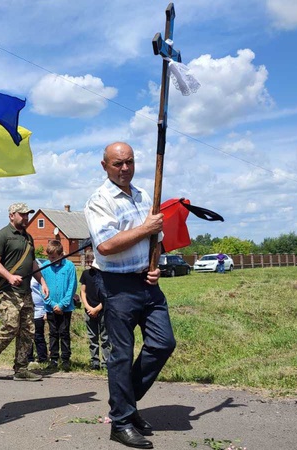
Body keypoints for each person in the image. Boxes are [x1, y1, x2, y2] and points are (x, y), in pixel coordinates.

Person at [84, 141, 176, 449]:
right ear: (105, 166)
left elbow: (157, 238)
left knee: (163, 342)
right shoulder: (99, 200)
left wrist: (156, 265)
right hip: (116, 285)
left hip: (147, 283)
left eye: (130, 162)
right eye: (118, 163)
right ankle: (121, 422)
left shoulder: (144, 195)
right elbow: (106, 245)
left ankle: (126, 401)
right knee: (121, 354)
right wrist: (145, 227)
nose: (125, 168)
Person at [0, 203, 49, 382]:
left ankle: (21, 369)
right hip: (8, 290)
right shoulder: (2, 235)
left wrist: (42, 281)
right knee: (10, 327)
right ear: (12, 215)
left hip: (26, 291)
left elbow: (33, 263)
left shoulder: (28, 238)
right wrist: (9, 276)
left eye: (27, 215)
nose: (26, 218)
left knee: (28, 330)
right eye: (22, 214)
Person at [40, 240, 77, 372]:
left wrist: (62, 305)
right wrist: (51, 303)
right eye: (49, 257)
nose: (51, 260)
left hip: (65, 308)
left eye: (54, 258)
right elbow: (42, 287)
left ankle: (66, 359)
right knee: (53, 333)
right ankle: (54, 359)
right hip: (50, 307)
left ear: (61, 255)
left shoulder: (69, 266)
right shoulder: (45, 266)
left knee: (64, 333)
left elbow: (72, 287)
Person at [80, 267, 109, 370]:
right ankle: (95, 361)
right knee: (92, 337)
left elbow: (108, 294)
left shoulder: (106, 274)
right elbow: (83, 292)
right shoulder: (86, 273)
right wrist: (88, 307)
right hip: (89, 310)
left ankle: (106, 362)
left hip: (103, 310)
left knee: (105, 338)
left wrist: (97, 309)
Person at [26, 277, 47, 365]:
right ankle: (28, 357)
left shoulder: (38, 278)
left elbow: (44, 293)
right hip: (27, 310)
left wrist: (45, 310)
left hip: (39, 309)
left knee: (38, 335)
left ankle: (42, 357)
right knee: (27, 335)